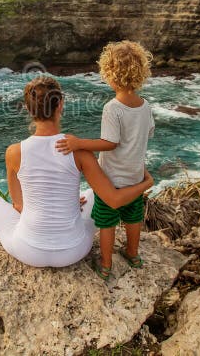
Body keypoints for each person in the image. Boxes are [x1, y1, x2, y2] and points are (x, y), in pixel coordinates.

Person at [0, 76, 154, 268]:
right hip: (74, 250)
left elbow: (19, 205)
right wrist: (146, 183)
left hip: (28, 250)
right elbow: (113, 200)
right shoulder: (79, 151)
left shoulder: (14, 152)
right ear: (60, 105)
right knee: (94, 196)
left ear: (28, 108)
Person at [56, 41, 155, 281]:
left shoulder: (113, 108)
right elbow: (148, 133)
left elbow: (110, 142)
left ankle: (106, 263)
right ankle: (132, 254)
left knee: (107, 221)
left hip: (111, 179)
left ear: (110, 74)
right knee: (133, 217)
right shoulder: (145, 106)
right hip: (135, 175)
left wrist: (79, 143)